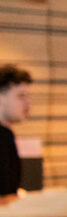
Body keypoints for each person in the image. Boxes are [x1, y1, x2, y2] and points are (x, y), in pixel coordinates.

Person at [0, 64, 32, 203]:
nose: (28, 103)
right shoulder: (2, 137)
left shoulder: (6, 134)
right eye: (21, 96)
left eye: (28, 96)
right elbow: (5, 197)